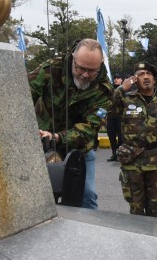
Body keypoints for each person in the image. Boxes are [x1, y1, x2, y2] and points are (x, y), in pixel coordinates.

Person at [29, 38, 112, 209]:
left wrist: (57, 137)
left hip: (80, 148)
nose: (85, 75)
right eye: (80, 68)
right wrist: (30, 129)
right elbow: (23, 95)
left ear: (100, 65)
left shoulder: (104, 90)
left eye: (92, 71)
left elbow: (89, 128)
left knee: (86, 195)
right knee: (37, 195)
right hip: (41, 142)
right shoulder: (51, 69)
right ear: (73, 58)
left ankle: (89, 225)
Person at [109, 62, 157, 216]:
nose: (146, 77)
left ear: (154, 79)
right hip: (132, 161)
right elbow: (107, 109)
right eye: (141, 74)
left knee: (154, 208)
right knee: (136, 209)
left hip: (156, 162)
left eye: (149, 74)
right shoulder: (126, 99)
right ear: (135, 79)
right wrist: (121, 89)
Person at [106, 73, 124, 161]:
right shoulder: (110, 89)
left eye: (118, 78)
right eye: (115, 78)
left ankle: (119, 152)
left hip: (120, 116)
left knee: (121, 137)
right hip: (110, 116)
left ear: (122, 80)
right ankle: (114, 154)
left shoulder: (124, 90)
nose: (116, 79)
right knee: (111, 136)